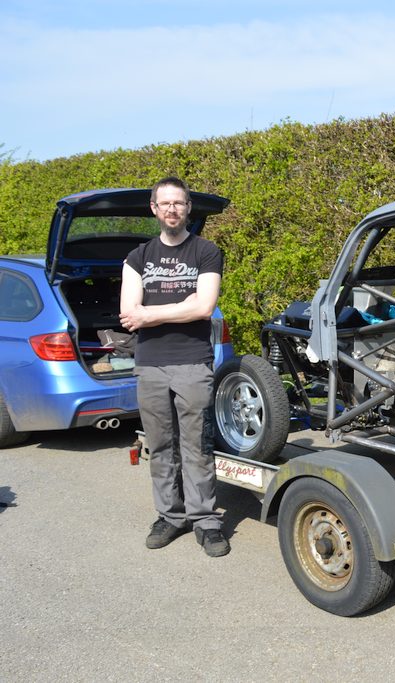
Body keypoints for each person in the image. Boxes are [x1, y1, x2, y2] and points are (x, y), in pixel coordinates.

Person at [120, 176, 230, 557]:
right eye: (165, 203)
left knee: (197, 445)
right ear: (154, 208)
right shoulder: (137, 257)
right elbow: (128, 313)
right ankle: (170, 516)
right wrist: (177, 308)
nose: (172, 209)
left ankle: (206, 521)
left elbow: (204, 306)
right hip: (150, 365)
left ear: (188, 208)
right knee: (161, 445)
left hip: (192, 362)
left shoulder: (206, 251)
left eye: (178, 203)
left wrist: (149, 314)